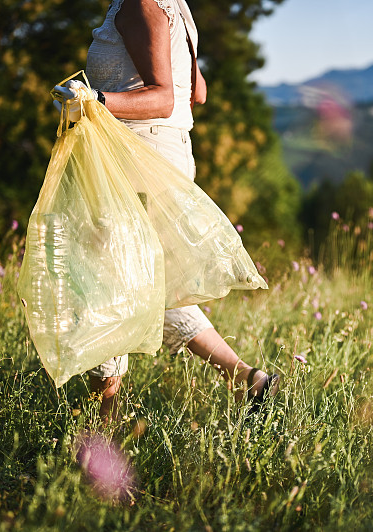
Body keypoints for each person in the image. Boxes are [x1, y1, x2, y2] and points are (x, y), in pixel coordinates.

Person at [54, 0, 278, 422]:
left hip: (136, 159)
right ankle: (247, 379)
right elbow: (199, 91)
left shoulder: (143, 6)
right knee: (148, 280)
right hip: (160, 155)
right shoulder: (174, 7)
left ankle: (102, 429)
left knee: (108, 282)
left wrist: (94, 99)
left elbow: (163, 98)